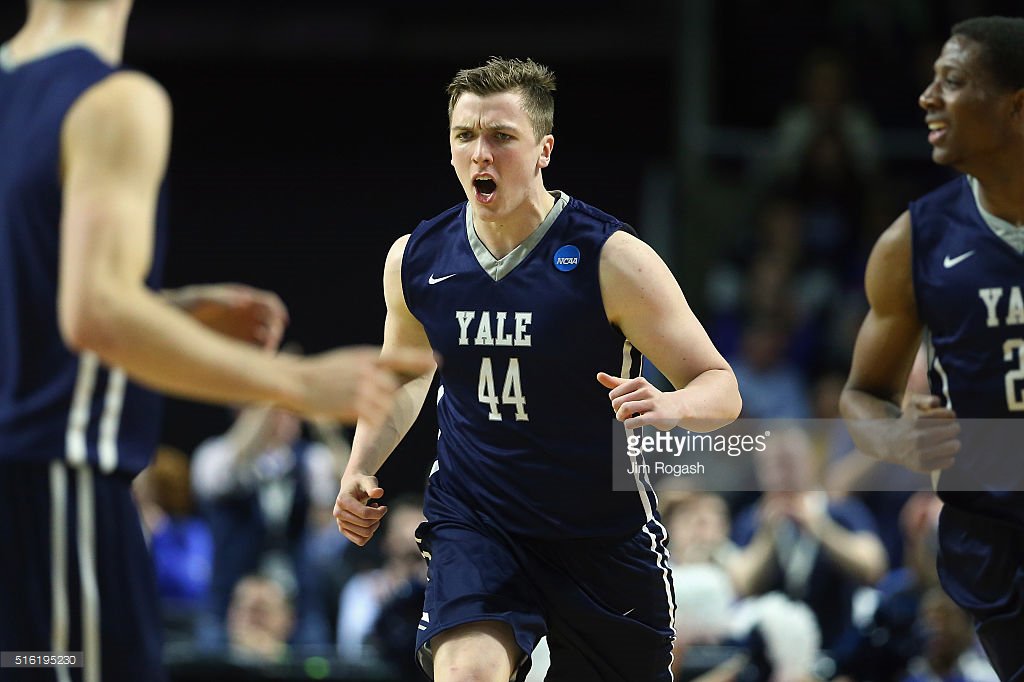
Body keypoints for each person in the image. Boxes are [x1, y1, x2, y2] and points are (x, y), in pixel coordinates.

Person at [0, 1, 435, 680]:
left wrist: (168, 308)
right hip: (56, 490)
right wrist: (296, 383)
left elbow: (43, 303)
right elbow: (94, 314)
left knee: (24, 665)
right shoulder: (114, 98)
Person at [334, 57, 741, 682]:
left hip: (599, 532)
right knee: (468, 673)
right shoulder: (415, 259)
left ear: (543, 150)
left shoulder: (612, 258)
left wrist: (672, 405)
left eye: (501, 136)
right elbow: (407, 374)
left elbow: (722, 386)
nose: (481, 154)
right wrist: (360, 465)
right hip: (478, 519)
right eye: (465, 136)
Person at [840, 16, 1024, 682]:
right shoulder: (914, 242)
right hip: (993, 535)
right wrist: (897, 439)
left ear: (1016, 106)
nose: (927, 99)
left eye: (952, 81)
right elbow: (862, 396)